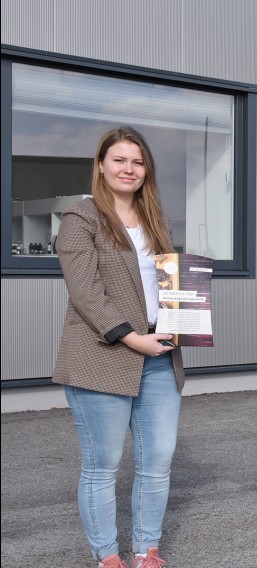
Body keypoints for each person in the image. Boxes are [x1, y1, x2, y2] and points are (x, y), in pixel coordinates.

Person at [53, 127, 184, 568]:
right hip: (103, 355)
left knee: (157, 461)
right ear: (102, 165)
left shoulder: (156, 220)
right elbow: (86, 292)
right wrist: (132, 338)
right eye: (120, 160)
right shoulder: (81, 218)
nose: (129, 169)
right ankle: (107, 556)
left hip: (159, 356)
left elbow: (169, 285)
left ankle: (147, 548)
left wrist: (184, 316)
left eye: (138, 161)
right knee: (102, 464)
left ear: (146, 170)